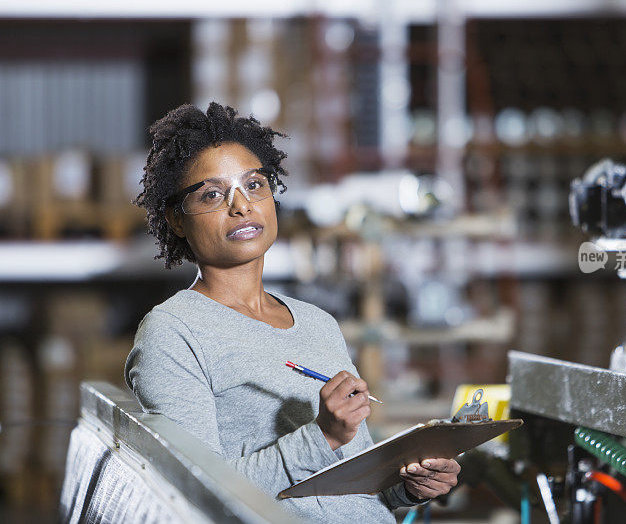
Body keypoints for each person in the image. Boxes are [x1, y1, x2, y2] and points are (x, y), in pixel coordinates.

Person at [124, 102, 460, 523]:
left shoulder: (317, 324)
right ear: (176, 218)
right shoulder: (174, 333)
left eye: (254, 184)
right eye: (213, 194)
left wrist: (406, 486)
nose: (241, 205)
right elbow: (198, 491)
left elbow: (349, 483)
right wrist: (323, 436)